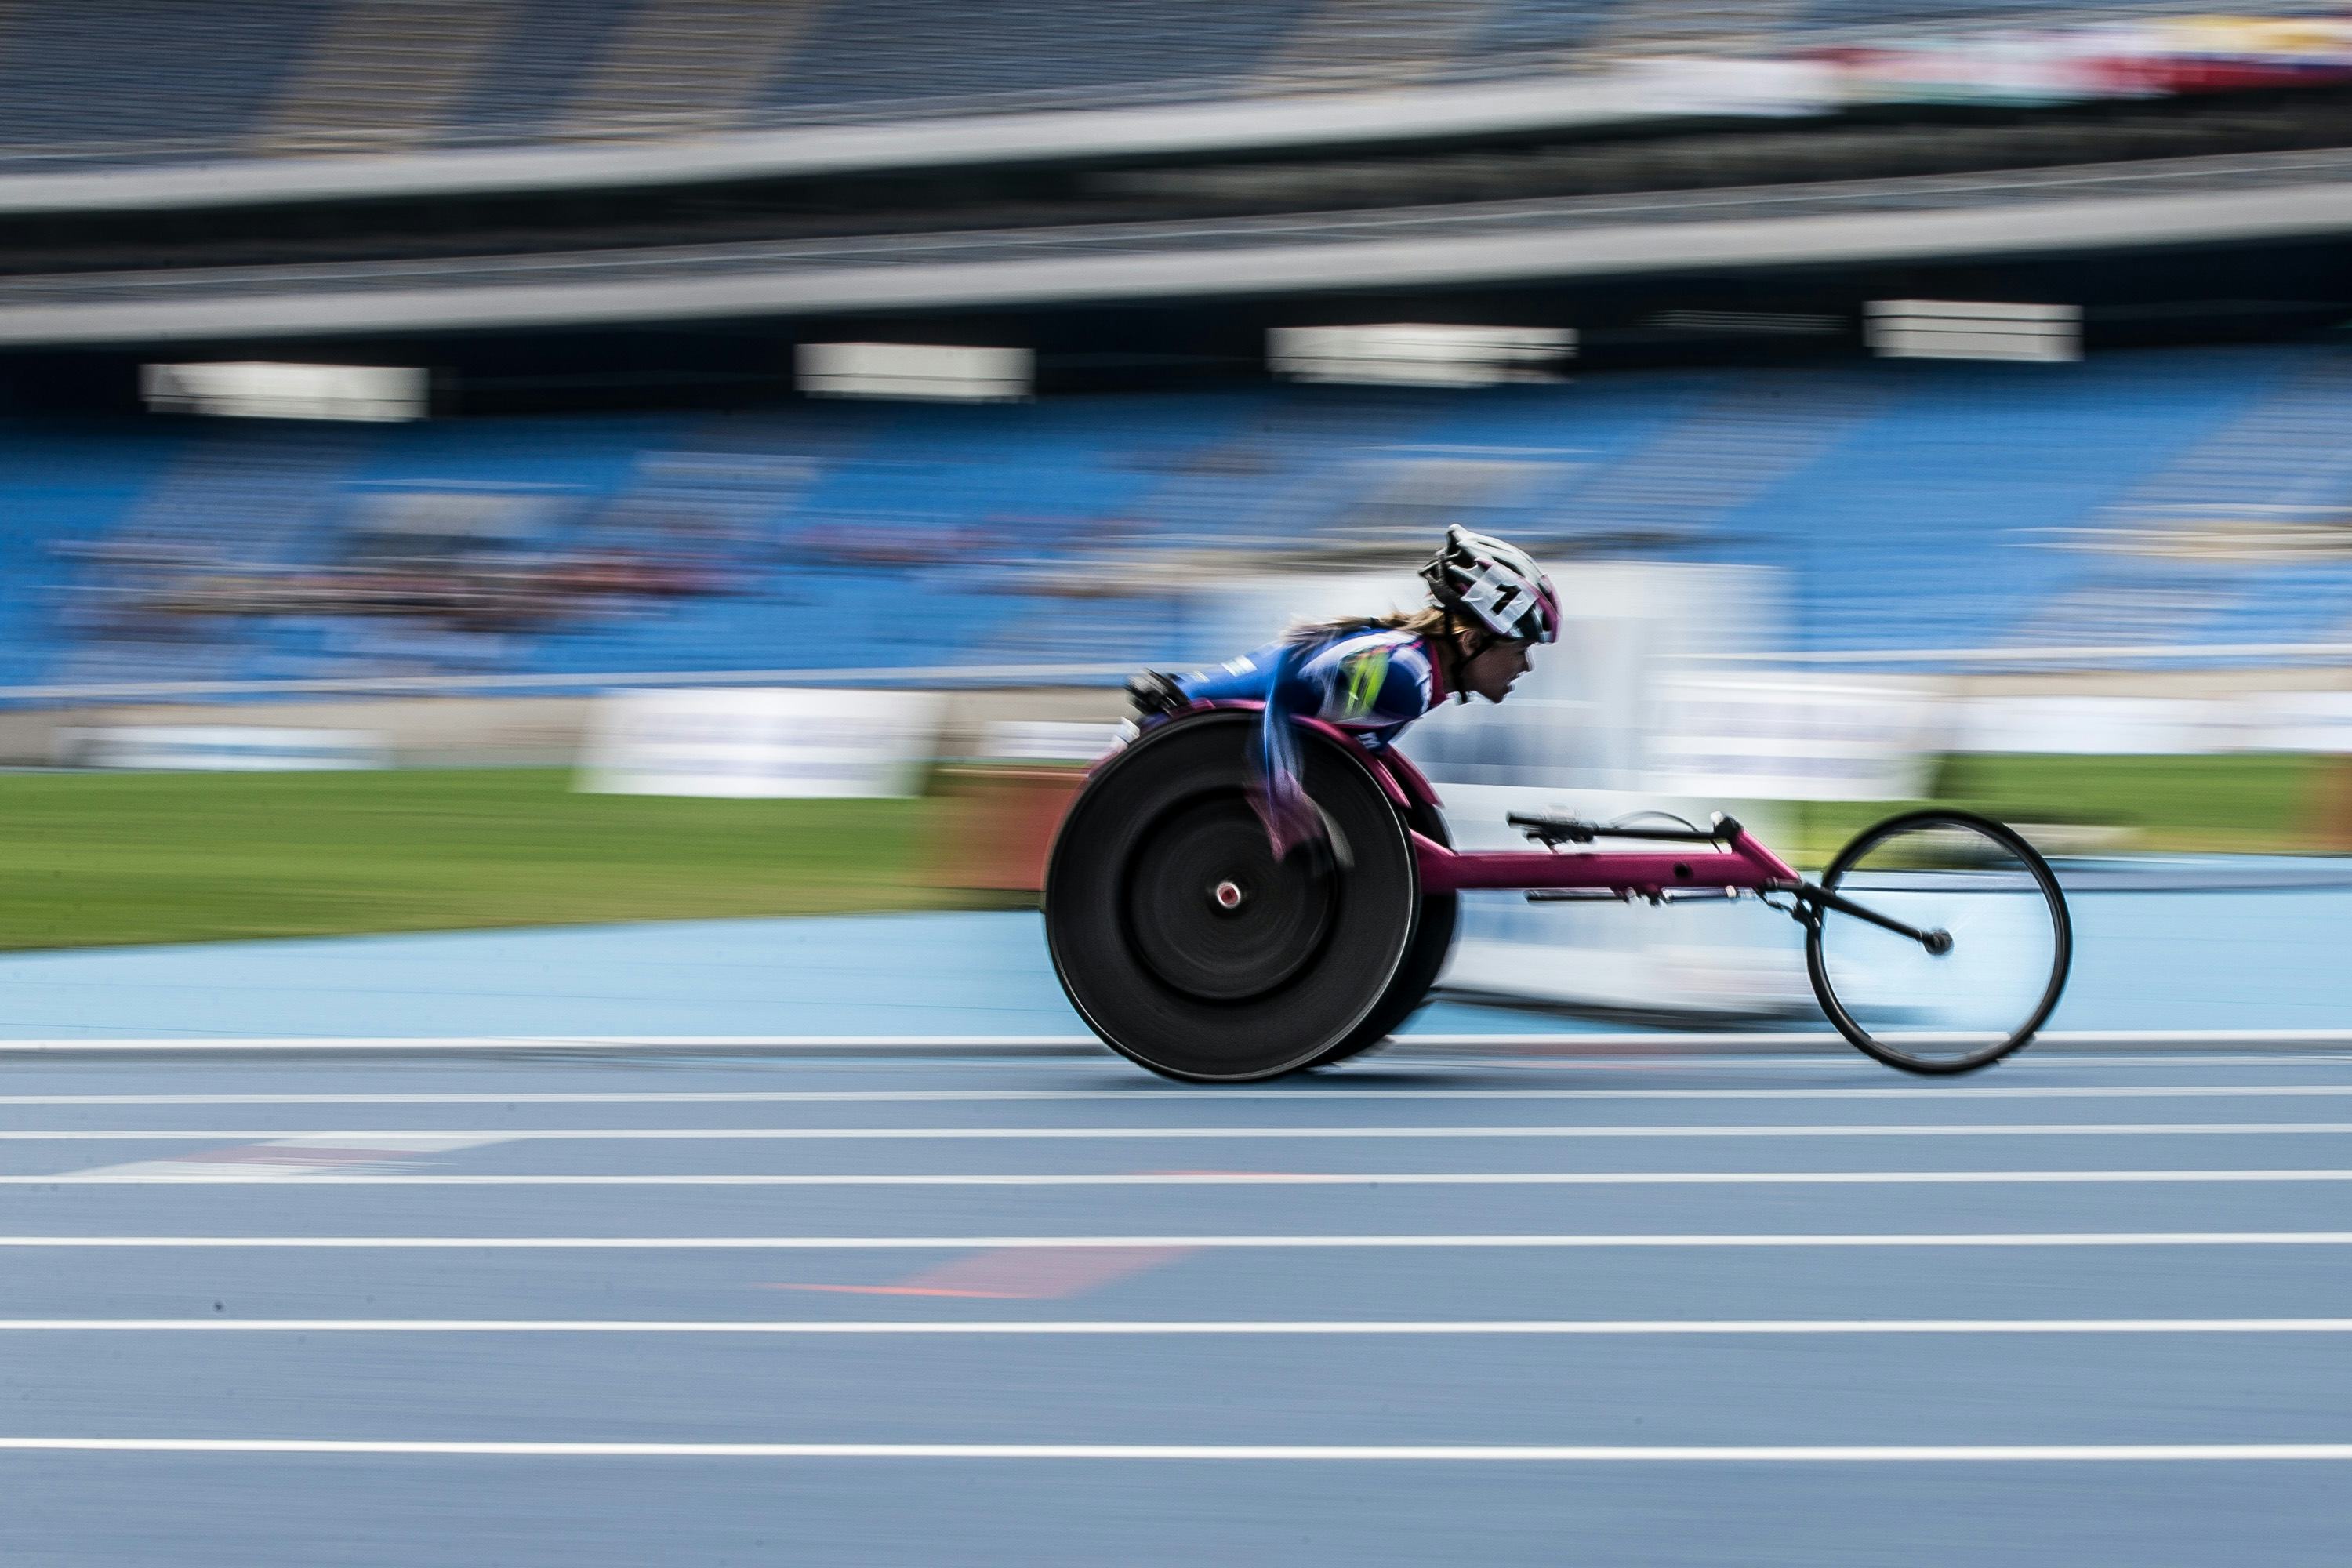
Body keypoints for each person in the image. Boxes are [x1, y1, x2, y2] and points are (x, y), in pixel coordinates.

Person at [1130, 525, 1559, 857]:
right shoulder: (1402, 674)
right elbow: (1285, 692)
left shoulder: (1415, 671)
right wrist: (1281, 805)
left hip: (1190, 749)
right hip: (1168, 752)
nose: (1526, 665)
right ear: (1471, 642)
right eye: (1520, 650)